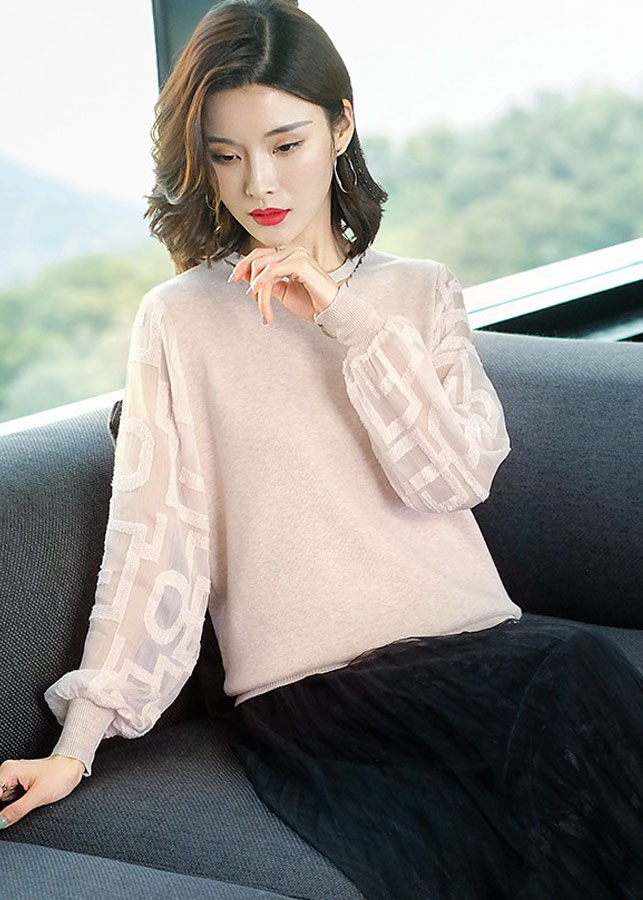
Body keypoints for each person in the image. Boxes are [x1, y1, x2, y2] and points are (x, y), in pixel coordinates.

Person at [1, 1, 642, 896]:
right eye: (226, 155)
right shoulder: (181, 320)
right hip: (314, 691)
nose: (258, 181)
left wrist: (344, 318)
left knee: (580, 687)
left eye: (285, 143)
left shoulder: (416, 294)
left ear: (341, 127)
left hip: (483, 648)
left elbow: (452, 478)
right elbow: (155, 541)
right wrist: (75, 745)